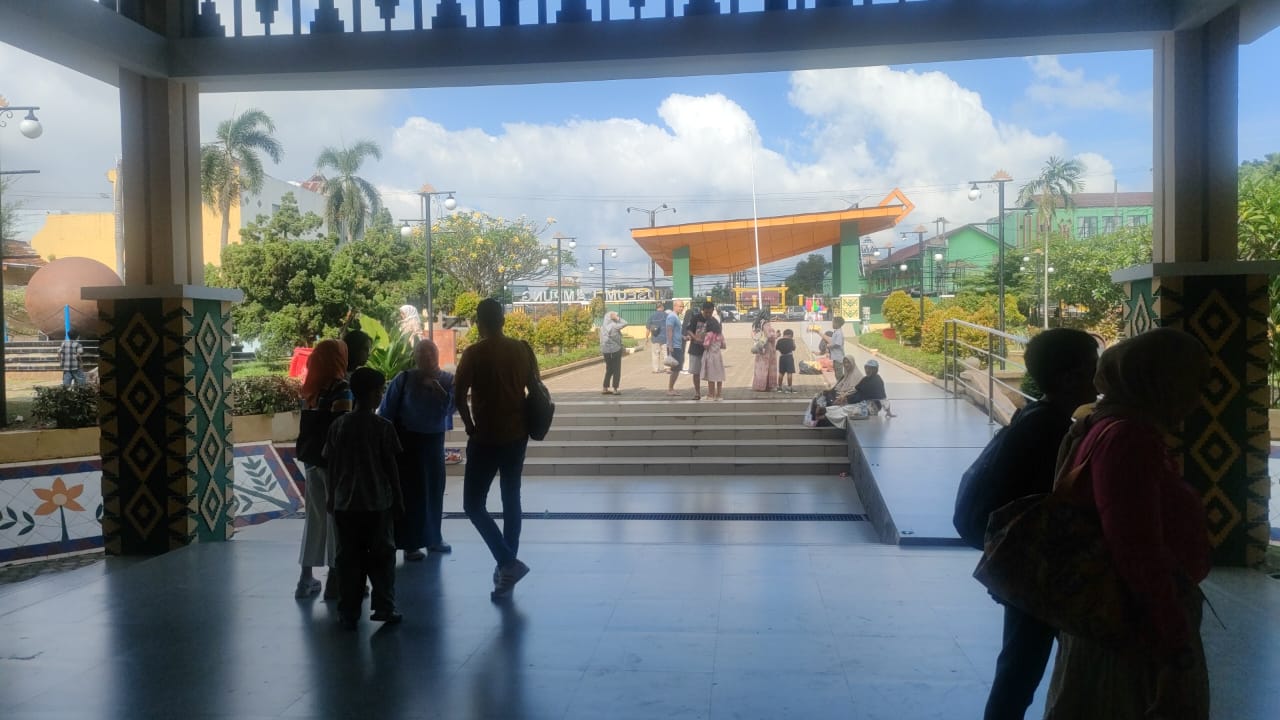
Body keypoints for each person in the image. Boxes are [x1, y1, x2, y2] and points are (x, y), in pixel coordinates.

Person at [1043, 328, 1212, 720]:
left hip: (1118, 621)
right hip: (1132, 629)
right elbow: (1137, 550)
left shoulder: (1107, 426)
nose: (1198, 398)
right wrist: (1174, 644)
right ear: (1161, 381)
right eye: (1193, 383)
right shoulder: (1129, 439)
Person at [978, 328, 1100, 720]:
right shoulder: (1054, 431)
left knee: (1020, 660)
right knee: (1023, 664)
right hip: (1042, 564)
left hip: (1028, 559)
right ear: (1071, 377)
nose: (1099, 377)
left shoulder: (1034, 416)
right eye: (1093, 367)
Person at [455, 298, 538, 599]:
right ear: (503, 321)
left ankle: (506, 562)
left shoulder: (474, 354)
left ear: (480, 323)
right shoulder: (521, 349)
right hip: (517, 436)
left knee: (473, 504)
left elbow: (458, 395)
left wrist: (469, 425)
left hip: (486, 438)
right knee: (511, 499)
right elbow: (535, 389)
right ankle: (507, 566)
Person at [324, 367, 404, 630]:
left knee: (348, 558)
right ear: (371, 394)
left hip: (345, 503)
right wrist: (398, 498)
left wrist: (331, 496)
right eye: (379, 391)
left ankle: (348, 610)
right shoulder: (383, 427)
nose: (381, 395)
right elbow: (391, 467)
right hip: (377, 503)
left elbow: (332, 465)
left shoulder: (338, 425)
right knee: (382, 556)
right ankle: (384, 607)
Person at [379, 338, 455, 561]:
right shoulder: (403, 379)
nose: (426, 356)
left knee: (434, 491)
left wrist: (439, 390)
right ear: (415, 356)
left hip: (434, 442)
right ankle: (410, 543)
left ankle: (433, 538)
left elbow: (452, 408)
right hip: (407, 443)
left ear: (437, 354)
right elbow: (386, 412)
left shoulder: (448, 380)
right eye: (421, 352)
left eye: (430, 351)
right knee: (410, 494)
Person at [295, 339, 352, 600]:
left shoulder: (310, 388)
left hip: (311, 460)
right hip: (334, 464)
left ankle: (305, 579)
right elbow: (342, 427)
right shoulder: (341, 388)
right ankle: (335, 581)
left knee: (314, 519)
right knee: (336, 520)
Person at [684, 302, 714, 400]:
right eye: (706, 312)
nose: (708, 314)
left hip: (708, 350)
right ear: (703, 310)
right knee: (696, 372)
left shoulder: (713, 321)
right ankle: (697, 393)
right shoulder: (695, 318)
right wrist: (695, 337)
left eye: (710, 312)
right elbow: (689, 330)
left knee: (710, 372)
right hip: (695, 349)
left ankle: (711, 393)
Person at [751, 305, 779, 392]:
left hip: (760, 346)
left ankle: (759, 384)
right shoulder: (766, 324)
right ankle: (768, 385)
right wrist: (776, 335)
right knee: (768, 366)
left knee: (760, 367)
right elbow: (769, 336)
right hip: (767, 348)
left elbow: (754, 334)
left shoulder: (758, 323)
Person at [599, 311, 627, 395]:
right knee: (616, 369)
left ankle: (605, 388)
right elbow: (625, 323)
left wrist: (602, 348)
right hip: (616, 349)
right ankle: (615, 389)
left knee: (609, 369)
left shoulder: (602, 328)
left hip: (606, 351)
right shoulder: (614, 326)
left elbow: (601, 340)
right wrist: (617, 318)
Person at [700, 313, 727, 401]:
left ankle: (711, 394)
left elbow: (706, 345)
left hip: (710, 356)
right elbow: (723, 346)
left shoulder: (709, 334)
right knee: (719, 375)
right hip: (718, 356)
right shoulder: (720, 334)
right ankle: (719, 395)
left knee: (710, 376)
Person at [665, 301, 686, 397]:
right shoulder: (672, 317)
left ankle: (671, 388)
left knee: (677, 368)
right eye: (680, 306)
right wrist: (670, 345)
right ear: (675, 306)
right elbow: (669, 330)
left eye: (682, 306)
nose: (682, 308)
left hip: (677, 345)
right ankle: (670, 389)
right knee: (676, 369)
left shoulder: (676, 317)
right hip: (674, 346)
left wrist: (683, 337)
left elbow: (676, 332)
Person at [647, 302, 668, 373]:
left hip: (655, 338)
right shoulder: (666, 315)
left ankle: (656, 369)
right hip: (665, 338)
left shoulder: (652, 316)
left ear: (656, 308)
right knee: (665, 353)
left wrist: (646, 338)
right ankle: (667, 368)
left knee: (655, 354)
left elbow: (648, 328)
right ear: (662, 307)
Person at [776, 329, 797, 394]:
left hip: (782, 357)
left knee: (781, 373)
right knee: (789, 373)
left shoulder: (779, 340)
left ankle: (779, 387)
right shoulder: (791, 341)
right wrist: (793, 342)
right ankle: (789, 388)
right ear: (790, 335)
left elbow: (776, 348)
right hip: (789, 357)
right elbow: (794, 348)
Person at [829, 317, 848, 381]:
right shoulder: (836, 332)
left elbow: (838, 344)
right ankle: (839, 385)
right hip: (835, 357)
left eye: (833, 322)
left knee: (839, 375)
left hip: (838, 358)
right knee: (837, 374)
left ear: (837, 324)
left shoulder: (839, 333)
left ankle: (841, 385)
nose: (832, 324)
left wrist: (830, 346)